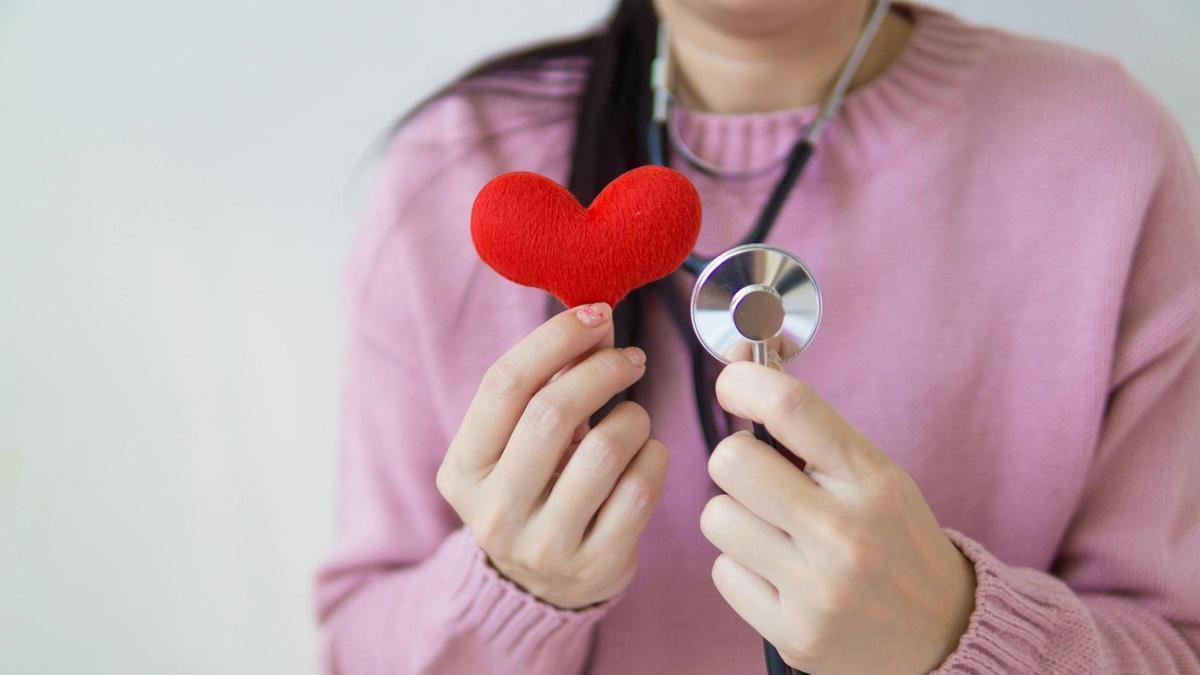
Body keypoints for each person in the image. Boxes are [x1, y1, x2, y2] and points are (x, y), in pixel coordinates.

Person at [314, 0, 1200, 672]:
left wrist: (952, 633)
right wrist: (509, 591)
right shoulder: (454, 165)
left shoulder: (1104, 153)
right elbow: (355, 644)